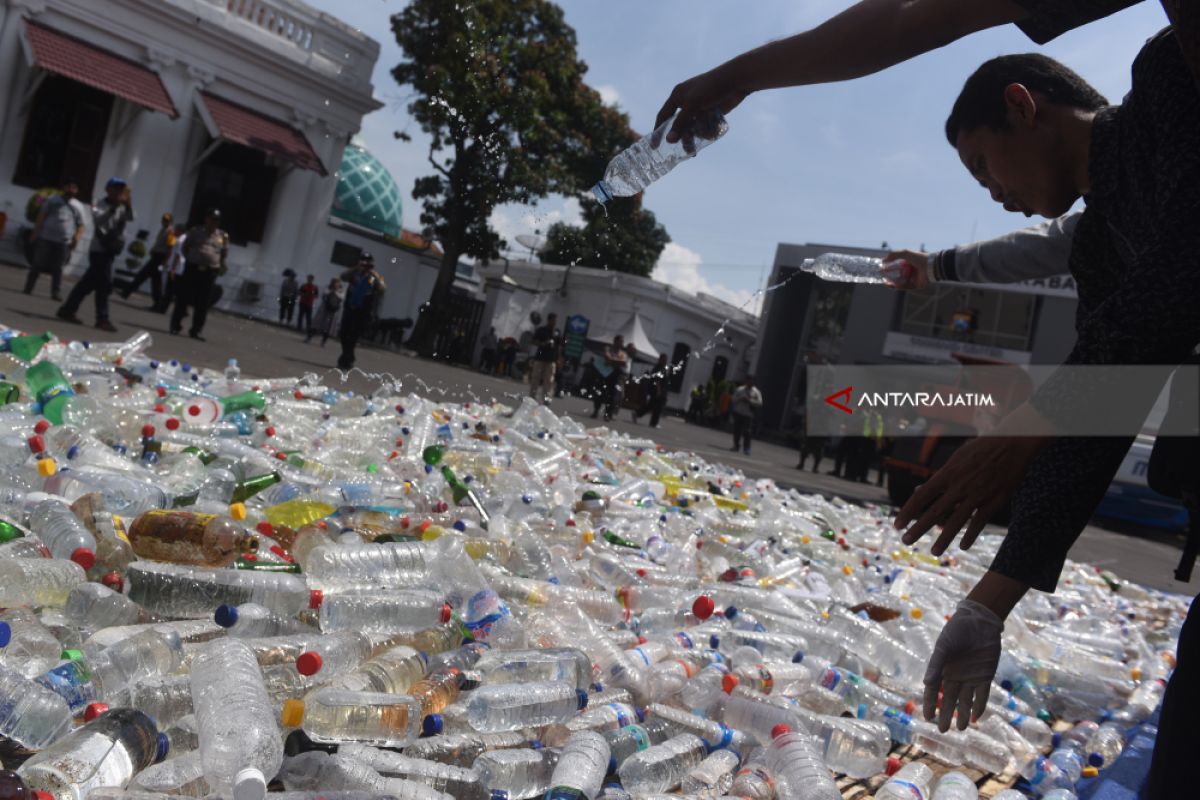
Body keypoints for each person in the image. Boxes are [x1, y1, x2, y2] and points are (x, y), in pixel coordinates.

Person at [879, 41, 1199, 799]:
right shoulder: (1100, 248)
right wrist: (988, 605)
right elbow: (1105, 403)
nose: (990, 191)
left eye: (985, 166)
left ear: (1023, 107)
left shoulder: (1166, 86)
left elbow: (1177, 278)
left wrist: (1038, 417)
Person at [57, 177, 134, 332]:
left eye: (121, 189)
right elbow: (98, 220)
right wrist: (113, 208)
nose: (118, 192)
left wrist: (127, 204)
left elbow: (131, 218)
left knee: (88, 283)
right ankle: (102, 318)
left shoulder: (122, 207)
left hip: (111, 250)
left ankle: (68, 309)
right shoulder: (100, 204)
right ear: (108, 189)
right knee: (104, 285)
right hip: (100, 250)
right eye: (115, 188)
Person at [170, 209, 228, 341]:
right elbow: (185, 248)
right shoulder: (196, 232)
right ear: (206, 219)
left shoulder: (222, 236)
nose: (214, 222)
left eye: (216, 220)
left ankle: (196, 330)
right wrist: (193, 259)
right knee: (183, 297)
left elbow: (224, 253)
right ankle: (175, 325)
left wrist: (218, 264)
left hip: (210, 271)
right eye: (212, 219)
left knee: (203, 302)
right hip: (193, 268)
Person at [25, 180, 84, 300]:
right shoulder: (53, 199)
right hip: (46, 237)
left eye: (74, 188)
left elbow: (81, 225)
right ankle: (29, 287)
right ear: (64, 187)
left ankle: (55, 291)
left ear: (77, 191)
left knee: (58, 267)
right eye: (69, 186)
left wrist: (76, 239)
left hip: (63, 240)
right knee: (37, 263)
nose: (71, 189)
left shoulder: (78, 206)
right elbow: (42, 216)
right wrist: (35, 233)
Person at [337, 252, 386, 370]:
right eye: (363, 260)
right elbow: (342, 276)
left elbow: (383, 288)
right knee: (344, 333)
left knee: (353, 335)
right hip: (350, 308)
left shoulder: (374, 276)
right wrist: (355, 268)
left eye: (368, 261)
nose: (365, 263)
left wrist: (374, 275)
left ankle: (346, 358)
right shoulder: (354, 273)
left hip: (363, 311)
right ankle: (348, 355)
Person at [121, 212, 174, 307]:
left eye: (167, 221)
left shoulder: (170, 232)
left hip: (160, 258)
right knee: (153, 279)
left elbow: (170, 248)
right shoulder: (162, 230)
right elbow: (158, 243)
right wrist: (153, 250)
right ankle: (157, 302)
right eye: (164, 220)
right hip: (156, 256)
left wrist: (165, 261)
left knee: (147, 277)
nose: (164, 222)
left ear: (170, 222)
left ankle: (127, 292)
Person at [592, 335, 629, 421]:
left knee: (612, 395)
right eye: (620, 341)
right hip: (604, 374)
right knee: (600, 392)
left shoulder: (622, 353)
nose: (621, 343)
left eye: (622, 342)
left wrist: (611, 362)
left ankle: (608, 413)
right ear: (615, 341)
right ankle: (596, 410)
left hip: (615, 375)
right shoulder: (608, 349)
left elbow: (623, 362)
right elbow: (607, 358)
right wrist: (616, 362)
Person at [529, 313, 562, 405]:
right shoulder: (542, 330)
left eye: (555, 320)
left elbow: (559, 346)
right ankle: (532, 396)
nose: (554, 322)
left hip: (551, 359)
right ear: (549, 320)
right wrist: (543, 343)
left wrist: (559, 358)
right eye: (553, 320)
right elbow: (533, 341)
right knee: (536, 377)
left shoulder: (557, 332)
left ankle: (546, 398)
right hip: (540, 357)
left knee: (549, 380)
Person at [154, 223, 188, 313]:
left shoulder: (181, 241)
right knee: (175, 290)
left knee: (170, 290)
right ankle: (183, 310)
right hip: (177, 267)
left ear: (180, 230)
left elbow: (178, 255)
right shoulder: (181, 239)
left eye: (176, 229)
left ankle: (163, 308)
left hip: (177, 268)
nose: (174, 231)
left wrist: (173, 269)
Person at [633, 353, 671, 427]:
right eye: (664, 360)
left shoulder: (662, 369)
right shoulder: (658, 369)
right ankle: (653, 423)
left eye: (666, 360)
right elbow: (657, 381)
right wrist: (658, 391)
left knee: (651, 406)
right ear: (660, 360)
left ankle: (638, 413)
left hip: (659, 391)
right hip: (658, 391)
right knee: (657, 408)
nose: (665, 361)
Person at [730, 376, 762, 456]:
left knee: (747, 431)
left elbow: (760, 403)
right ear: (746, 381)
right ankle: (736, 446)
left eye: (752, 381)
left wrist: (750, 401)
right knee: (737, 430)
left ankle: (747, 448)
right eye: (749, 381)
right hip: (739, 412)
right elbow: (733, 399)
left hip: (748, 414)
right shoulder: (740, 389)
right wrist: (741, 398)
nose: (750, 383)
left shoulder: (756, 392)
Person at [306, 277, 342, 346]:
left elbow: (341, 297)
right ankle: (309, 337)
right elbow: (324, 293)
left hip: (332, 310)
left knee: (328, 327)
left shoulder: (340, 290)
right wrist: (332, 291)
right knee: (317, 323)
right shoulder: (327, 287)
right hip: (324, 308)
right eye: (335, 282)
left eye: (337, 283)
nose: (336, 284)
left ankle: (323, 342)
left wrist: (335, 291)